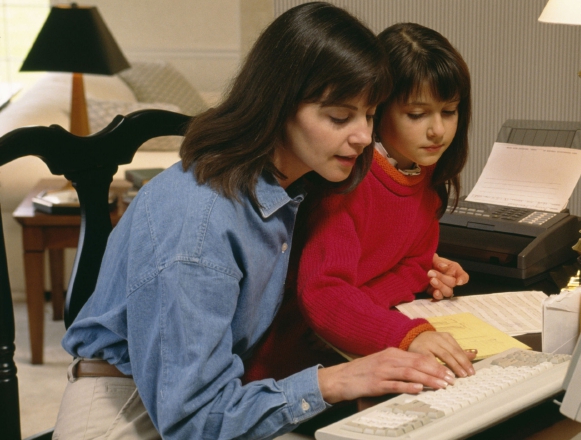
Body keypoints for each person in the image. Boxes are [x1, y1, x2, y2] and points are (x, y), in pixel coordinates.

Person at [54, 4, 464, 439]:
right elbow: (196, 422)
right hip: (134, 411)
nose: (364, 136)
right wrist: (336, 382)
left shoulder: (292, 183)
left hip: (217, 396)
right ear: (279, 105)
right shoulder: (199, 227)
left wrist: (417, 266)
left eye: (369, 114)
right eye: (340, 117)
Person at [295, 23, 475, 377]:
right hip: (305, 361)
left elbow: (413, 264)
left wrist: (360, 310)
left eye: (449, 111)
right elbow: (324, 292)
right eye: (417, 114)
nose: (437, 129)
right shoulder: (344, 181)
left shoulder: (425, 176)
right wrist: (404, 333)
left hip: (351, 336)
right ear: (377, 109)